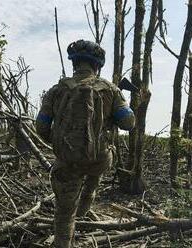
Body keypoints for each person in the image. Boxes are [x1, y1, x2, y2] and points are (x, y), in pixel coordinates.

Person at [35, 40, 135, 248]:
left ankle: (65, 239)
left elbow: (41, 127)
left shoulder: (56, 90)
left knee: (64, 214)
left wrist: (61, 145)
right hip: (98, 160)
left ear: (74, 63)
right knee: (100, 162)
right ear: (97, 65)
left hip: (67, 162)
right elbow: (129, 123)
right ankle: (88, 196)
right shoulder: (110, 89)